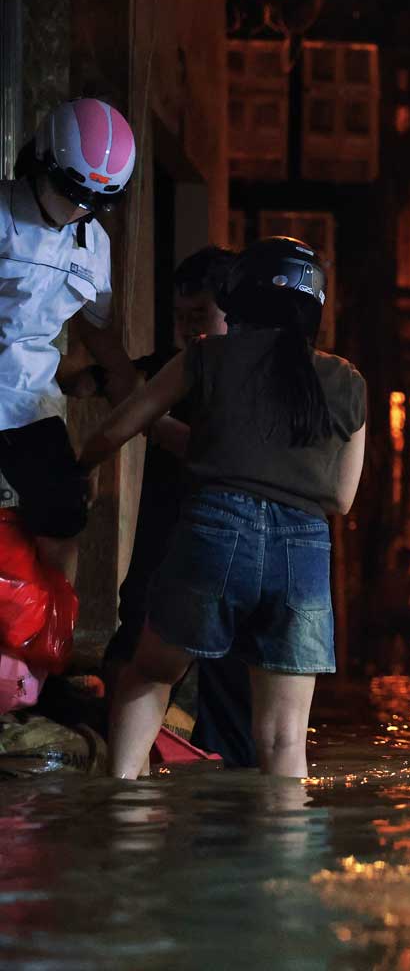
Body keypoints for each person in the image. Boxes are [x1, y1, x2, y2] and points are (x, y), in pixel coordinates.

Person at [77, 236, 367, 779]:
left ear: (239, 297)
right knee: (283, 740)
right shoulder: (347, 379)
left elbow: (121, 425)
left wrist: (80, 470)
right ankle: (283, 858)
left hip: (216, 529)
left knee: (150, 674)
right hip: (303, 549)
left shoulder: (207, 356)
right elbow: (342, 498)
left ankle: (120, 814)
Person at [69, 246, 258, 766]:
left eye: (200, 316)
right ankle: (134, 759)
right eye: (180, 319)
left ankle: (219, 773)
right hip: (163, 533)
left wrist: (139, 412)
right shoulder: (170, 367)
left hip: (226, 543)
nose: (189, 330)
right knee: (134, 637)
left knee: (224, 667)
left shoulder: (244, 379)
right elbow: (85, 381)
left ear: (234, 313)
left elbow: (202, 447)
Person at [0, 98, 140, 583]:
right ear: (43, 162)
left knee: (63, 516)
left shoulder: (94, 245)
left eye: (95, 202)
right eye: (72, 192)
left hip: (31, 403)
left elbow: (95, 328)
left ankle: (46, 639)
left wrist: (130, 387)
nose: (80, 208)